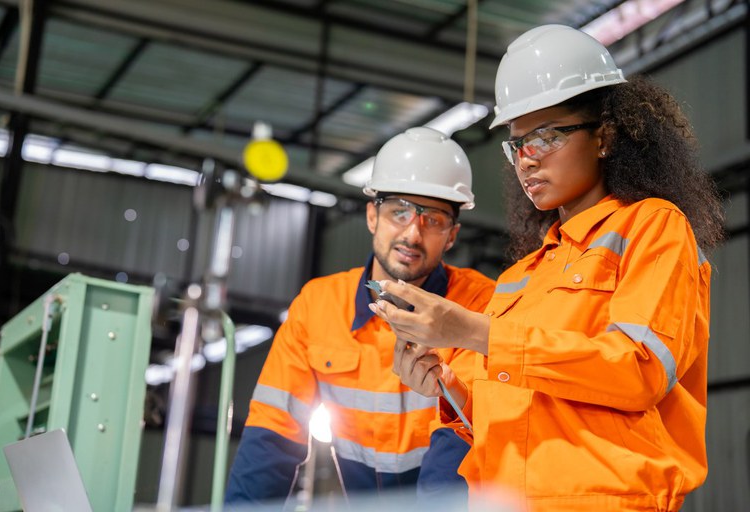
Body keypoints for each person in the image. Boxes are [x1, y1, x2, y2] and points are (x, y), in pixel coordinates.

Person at [371, 24, 724, 511]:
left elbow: (637, 371)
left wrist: (477, 333)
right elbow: (504, 410)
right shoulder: (523, 275)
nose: (527, 160)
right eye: (517, 145)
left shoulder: (654, 227)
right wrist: (446, 385)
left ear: (604, 136)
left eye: (547, 136)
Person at [224, 126, 496, 507]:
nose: (412, 234)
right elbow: (272, 438)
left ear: (451, 236)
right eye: (398, 212)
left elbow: (457, 444)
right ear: (372, 216)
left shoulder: (480, 305)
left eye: (432, 219)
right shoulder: (317, 306)